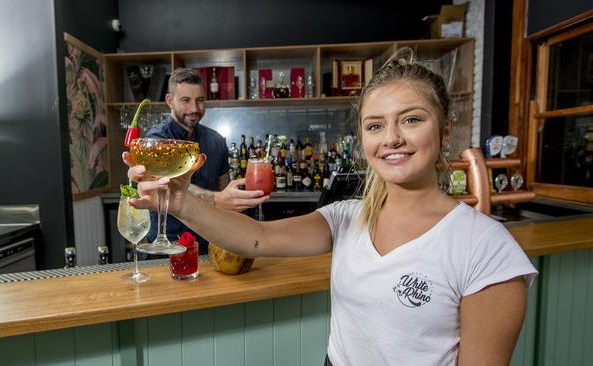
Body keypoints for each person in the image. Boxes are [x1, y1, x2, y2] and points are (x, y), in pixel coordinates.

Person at [124, 50, 537, 365]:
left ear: (444, 132)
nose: (391, 138)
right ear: (364, 139)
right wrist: (177, 201)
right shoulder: (349, 216)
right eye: (375, 125)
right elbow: (258, 238)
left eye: (411, 119)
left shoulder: (486, 249)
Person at [131, 67, 268, 253]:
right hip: (167, 247)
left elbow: (223, 187)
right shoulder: (157, 140)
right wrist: (217, 200)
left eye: (200, 100)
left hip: (209, 243)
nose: (194, 109)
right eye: (186, 100)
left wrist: (235, 201)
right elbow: (169, 185)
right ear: (170, 101)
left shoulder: (216, 141)